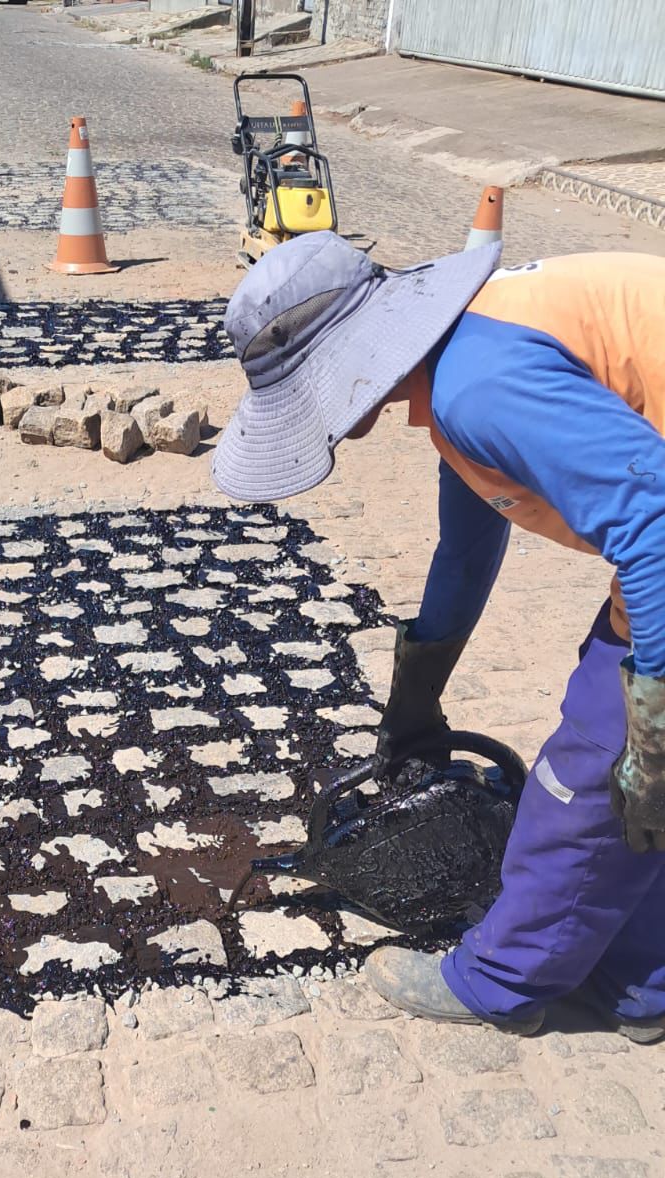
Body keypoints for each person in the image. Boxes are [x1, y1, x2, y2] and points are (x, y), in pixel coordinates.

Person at [213, 230, 665, 1040]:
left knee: (591, 773)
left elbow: (657, 526)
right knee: (626, 774)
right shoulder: (462, 364)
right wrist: (416, 693)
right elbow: (466, 546)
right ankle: (639, 981)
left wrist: (652, 722)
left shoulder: (478, 387)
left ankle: (502, 982)